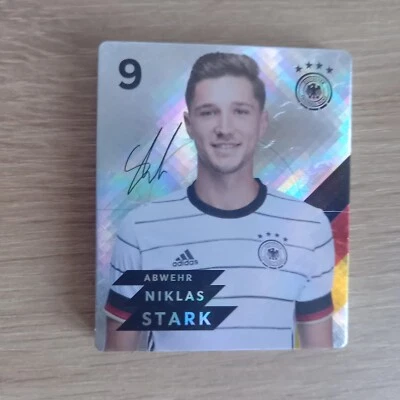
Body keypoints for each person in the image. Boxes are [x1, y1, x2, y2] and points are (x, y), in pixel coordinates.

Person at [104, 52, 335, 351]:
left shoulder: (309, 227)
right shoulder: (140, 230)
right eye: (208, 112)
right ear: (188, 124)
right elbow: (118, 362)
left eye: (240, 111)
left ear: (262, 122)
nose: (225, 128)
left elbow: (320, 360)